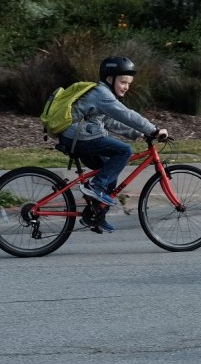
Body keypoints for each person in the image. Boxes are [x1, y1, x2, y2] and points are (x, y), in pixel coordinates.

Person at [60, 56, 168, 232]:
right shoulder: (102, 94)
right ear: (110, 79)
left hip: (79, 136)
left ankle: (96, 215)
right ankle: (96, 187)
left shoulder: (103, 95)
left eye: (129, 83)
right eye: (123, 82)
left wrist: (139, 132)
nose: (126, 87)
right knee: (124, 151)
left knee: (110, 169)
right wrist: (153, 129)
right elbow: (126, 114)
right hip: (78, 137)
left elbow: (111, 122)